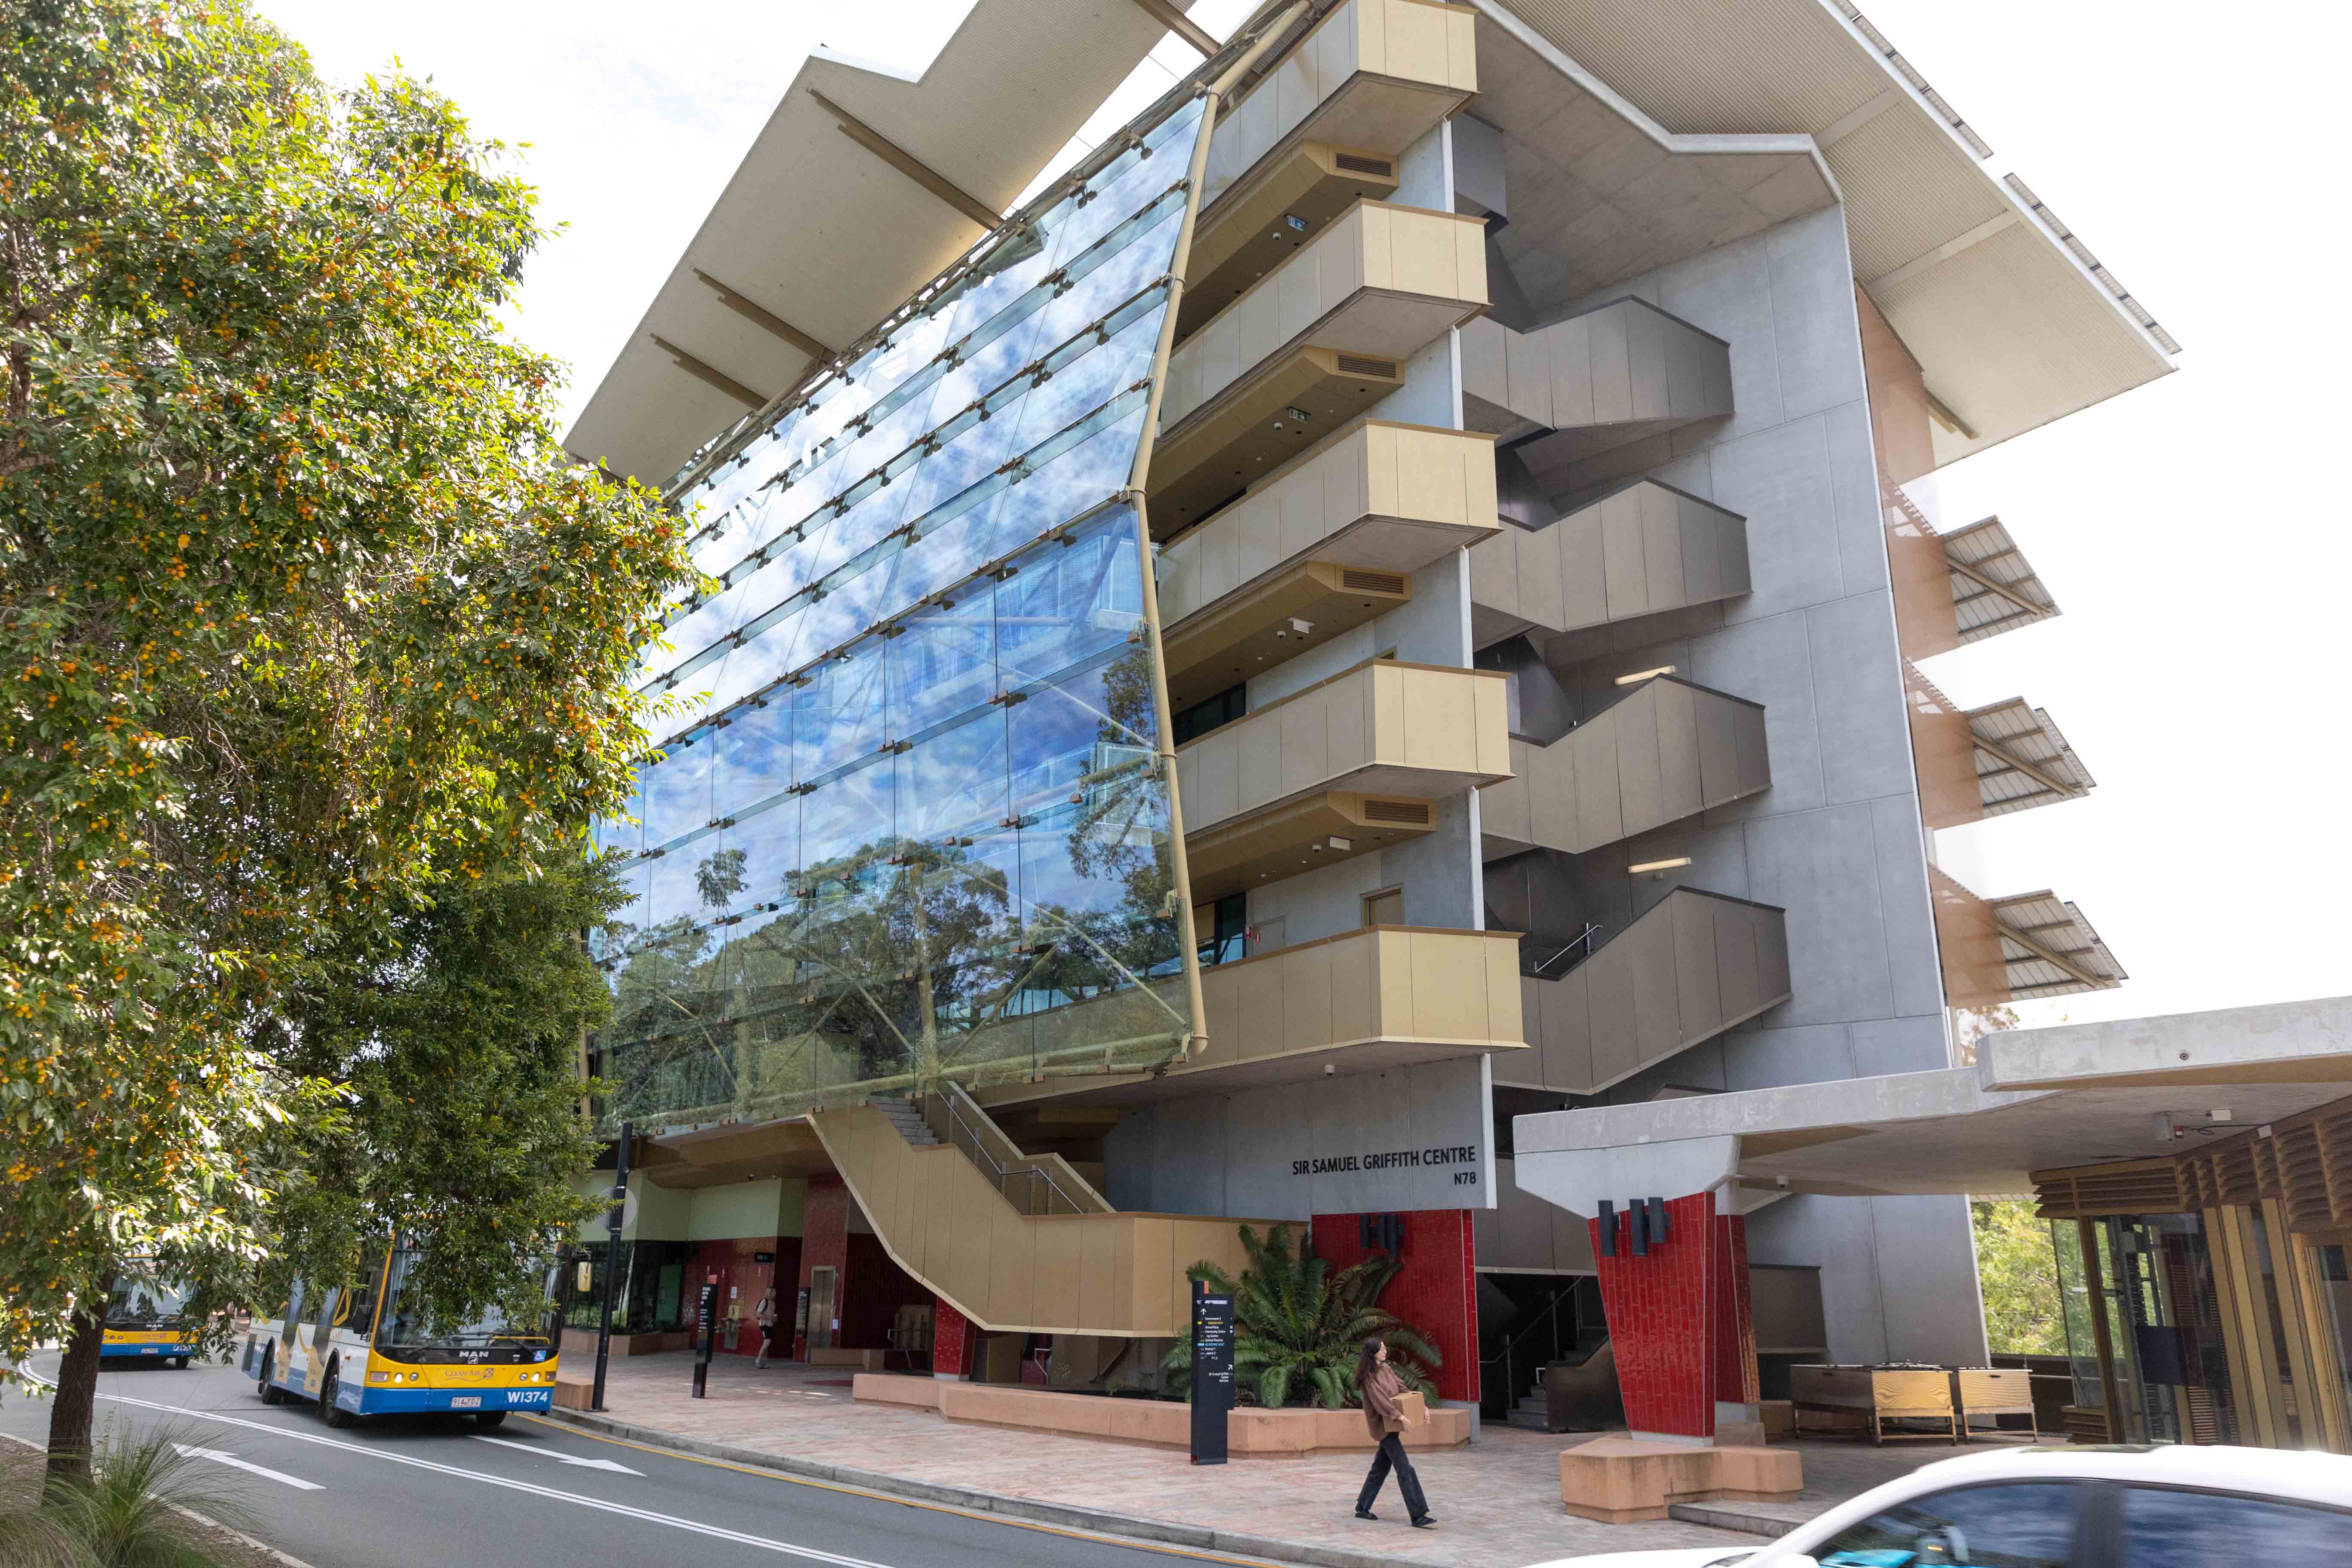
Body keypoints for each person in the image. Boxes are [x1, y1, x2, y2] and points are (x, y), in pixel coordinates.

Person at [1354, 1338, 1434, 1528]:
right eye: (1382, 1349)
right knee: (1404, 1468)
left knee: (1380, 1468)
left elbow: (1402, 1388)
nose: (1385, 1351)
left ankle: (1362, 1507)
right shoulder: (1369, 1377)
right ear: (1373, 1352)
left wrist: (1421, 1405)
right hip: (1384, 1428)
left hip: (1392, 1426)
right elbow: (1380, 1401)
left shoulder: (1386, 1369)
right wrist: (1400, 1417)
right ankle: (1418, 1515)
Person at [753, 1287, 780, 1368]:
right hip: (764, 1325)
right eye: (774, 1292)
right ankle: (758, 1360)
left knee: (767, 1344)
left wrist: (775, 1319)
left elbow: (772, 1316)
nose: (775, 1294)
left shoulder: (773, 1303)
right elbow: (758, 1314)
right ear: (769, 1293)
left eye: (776, 1292)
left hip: (770, 1325)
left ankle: (761, 1362)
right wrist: (770, 1317)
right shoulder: (764, 1302)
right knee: (767, 1342)